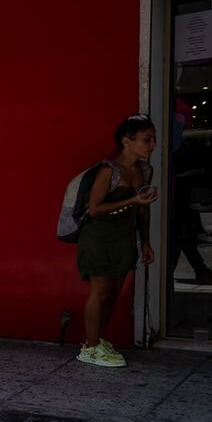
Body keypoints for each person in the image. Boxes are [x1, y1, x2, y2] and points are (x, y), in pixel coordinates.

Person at [76, 114, 159, 367]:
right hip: (99, 238)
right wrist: (133, 201)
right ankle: (89, 348)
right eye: (147, 140)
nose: (152, 145)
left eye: (153, 139)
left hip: (124, 239)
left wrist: (145, 241)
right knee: (100, 291)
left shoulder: (144, 170)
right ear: (127, 141)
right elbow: (95, 208)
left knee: (113, 294)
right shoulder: (108, 170)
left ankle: (98, 340)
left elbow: (143, 210)